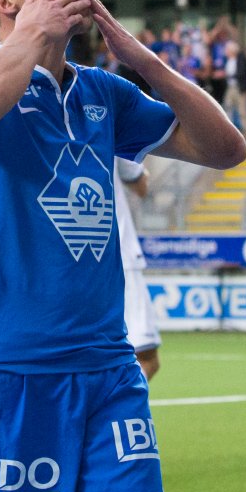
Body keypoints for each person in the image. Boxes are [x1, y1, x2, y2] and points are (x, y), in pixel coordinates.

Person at [0, 0, 245, 492]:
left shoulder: (103, 92)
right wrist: (31, 36)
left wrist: (148, 65)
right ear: (6, 1)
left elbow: (225, 150)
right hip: (7, 368)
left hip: (108, 367)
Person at [115, 157, 160, 380]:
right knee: (146, 358)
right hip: (118, 255)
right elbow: (141, 186)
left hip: (60, 262)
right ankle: (117, 409)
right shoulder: (107, 124)